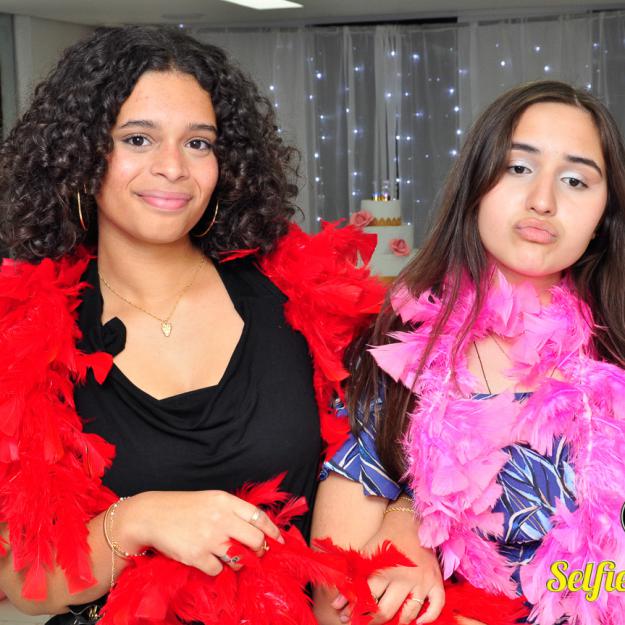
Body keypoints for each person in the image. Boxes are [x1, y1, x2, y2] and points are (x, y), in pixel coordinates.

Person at [0, 25, 386, 624]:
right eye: (138, 138)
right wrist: (137, 519)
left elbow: (404, 455)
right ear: (79, 155)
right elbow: (25, 584)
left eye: (198, 143)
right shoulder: (22, 336)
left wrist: (405, 522)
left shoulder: (301, 300)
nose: (173, 167)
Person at [312, 80, 625, 625]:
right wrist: (411, 512)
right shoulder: (392, 359)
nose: (543, 200)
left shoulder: (615, 356)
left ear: (604, 216)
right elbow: (333, 606)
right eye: (518, 167)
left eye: (575, 180)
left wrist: (405, 512)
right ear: (475, 186)